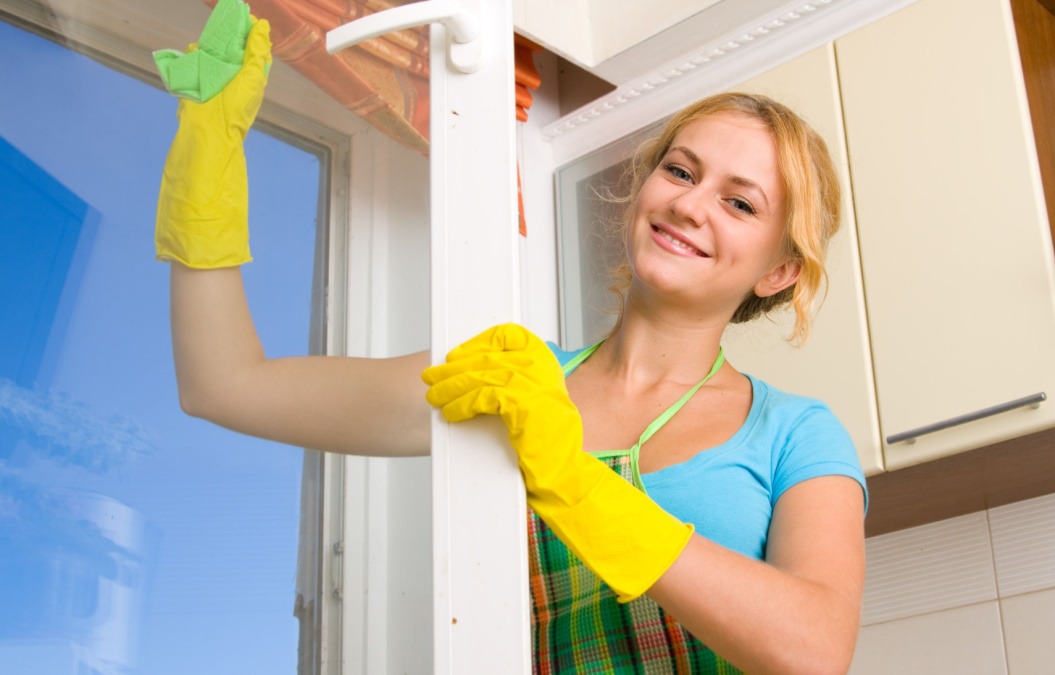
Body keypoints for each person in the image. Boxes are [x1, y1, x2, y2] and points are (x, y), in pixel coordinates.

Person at [158, 8, 866, 675]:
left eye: (739, 202)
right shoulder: (509, 382)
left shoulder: (793, 433)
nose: (687, 203)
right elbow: (224, 383)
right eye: (679, 170)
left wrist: (571, 475)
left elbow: (814, 648)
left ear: (780, 270)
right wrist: (207, 153)